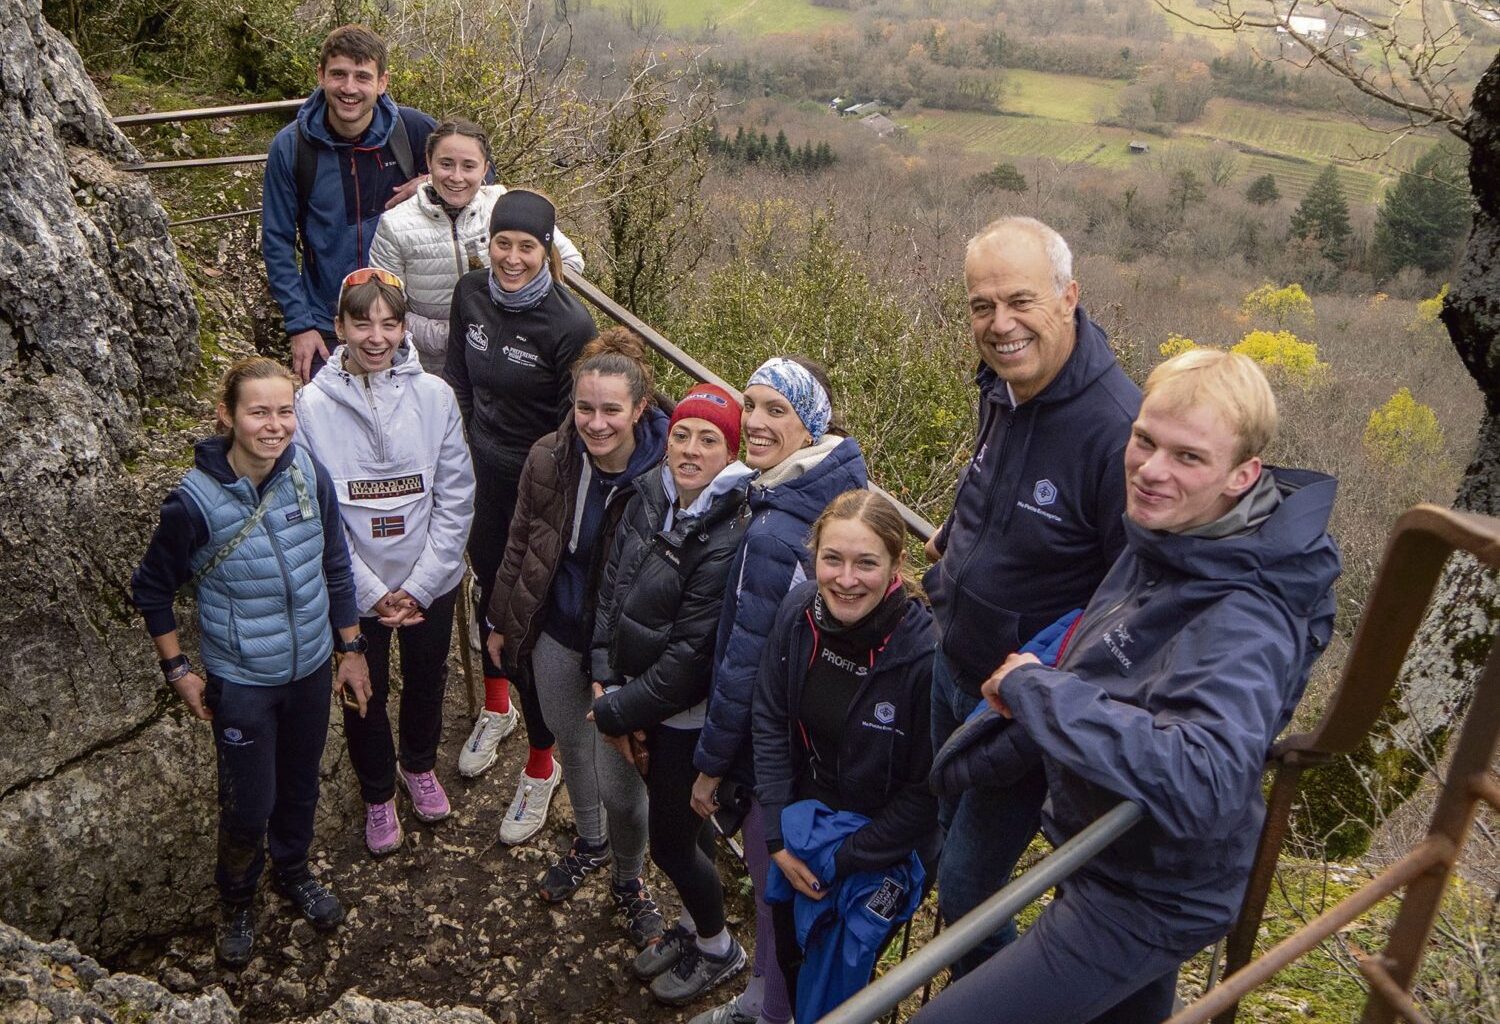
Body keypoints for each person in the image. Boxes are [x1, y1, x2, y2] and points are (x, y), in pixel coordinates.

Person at [918, 349, 1340, 1023]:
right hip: (1115, 850)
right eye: (1144, 440)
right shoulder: (1173, 537)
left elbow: (1205, 773)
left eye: (1189, 457)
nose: (1151, 470)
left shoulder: (1246, 615)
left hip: (1148, 891)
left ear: (1244, 475)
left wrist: (1040, 692)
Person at [922, 216, 1140, 975]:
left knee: (967, 890)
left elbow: (1131, 604)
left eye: (1020, 301)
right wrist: (957, 534)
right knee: (945, 828)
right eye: (982, 305)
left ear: (1070, 297)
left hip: (1016, 708)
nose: (999, 324)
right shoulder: (1005, 385)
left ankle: (992, 998)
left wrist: (1038, 704)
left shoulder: (1117, 434)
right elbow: (996, 478)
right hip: (952, 659)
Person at [129, 357, 371, 968]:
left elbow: (335, 566)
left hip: (313, 668)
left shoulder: (307, 474)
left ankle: (292, 872)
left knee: (299, 787)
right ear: (227, 416)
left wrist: (352, 650)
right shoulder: (193, 504)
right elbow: (151, 589)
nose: (275, 425)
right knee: (247, 805)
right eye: (258, 412)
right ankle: (237, 900)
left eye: (285, 411)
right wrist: (179, 670)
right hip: (243, 683)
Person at [689, 356, 868, 1024]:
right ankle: (764, 994)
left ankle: (773, 1010)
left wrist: (710, 765)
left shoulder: (779, 526)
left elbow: (745, 662)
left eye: (777, 411)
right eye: (752, 405)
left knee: (775, 890)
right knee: (779, 894)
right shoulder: (827, 488)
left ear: (811, 422)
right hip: (818, 740)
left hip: (784, 753)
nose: (755, 423)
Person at [483, 327, 669, 948]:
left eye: (611, 410)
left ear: (640, 409)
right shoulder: (550, 457)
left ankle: (628, 878)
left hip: (625, 655)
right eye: (584, 407)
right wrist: (502, 621)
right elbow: (521, 543)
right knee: (570, 743)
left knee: (624, 783)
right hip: (557, 632)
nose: (595, 423)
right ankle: (589, 843)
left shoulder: (670, 477)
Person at [294, 268, 475, 855]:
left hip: (430, 577)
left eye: (390, 323)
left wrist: (420, 586)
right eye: (362, 322)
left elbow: (456, 493)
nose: (377, 337)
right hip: (353, 584)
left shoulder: (436, 396)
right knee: (361, 688)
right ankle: (377, 792)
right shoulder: (311, 407)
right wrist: (370, 591)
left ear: (403, 328)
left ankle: (418, 767)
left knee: (427, 676)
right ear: (340, 326)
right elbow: (316, 511)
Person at [589, 383, 754, 1007]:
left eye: (708, 439)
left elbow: (690, 658)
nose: (689, 449)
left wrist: (615, 709)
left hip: (687, 716)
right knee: (688, 832)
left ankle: (717, 947)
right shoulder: (658, 500)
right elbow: (616, 584)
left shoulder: (726, 529)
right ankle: (694, 924)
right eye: (681, 434)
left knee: (671, 842)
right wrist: (608, 672)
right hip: (650, 700)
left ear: (730, 452)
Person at [751, 488, 939, 1023]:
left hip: (885, 847)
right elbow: (769, 716)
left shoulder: (924, 657)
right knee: (790, 955)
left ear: (896, 565)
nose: (846, 579)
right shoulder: (799, 614)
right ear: (814, 556)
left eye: (866, 563)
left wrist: (842, 858)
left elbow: (928, 792)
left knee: (841, 988)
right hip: (804, 823)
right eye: (832, 559)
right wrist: (778, 835)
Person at [446, 188, 597, 844]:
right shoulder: (469, 294)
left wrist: (546, 505)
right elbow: (458, 379)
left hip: (540, 493)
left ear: (547, 251)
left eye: (526, 247)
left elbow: (574, 431)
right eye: (501, 243)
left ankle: (543, 764)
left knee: (526, 623)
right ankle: (496, 707)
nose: (511, 257)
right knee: (487, 599)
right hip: (482, 476)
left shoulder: (570, 326)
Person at [262, 24, 437, 382]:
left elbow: (480, 174)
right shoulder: (293, 147)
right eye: (339, 74)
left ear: (382, 82)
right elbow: (277, 241)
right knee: (330, 430)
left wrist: (429, 182)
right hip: (327, 322)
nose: (350, 88)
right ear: (321, 75)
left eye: (362, 76)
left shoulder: (413, 131)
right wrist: (299, 325)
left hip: (403, 318)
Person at [368, 119, 584, 374]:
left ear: (485, 170)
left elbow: (570, 262)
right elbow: (387, 311)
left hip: (506, 364)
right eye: (446, 164)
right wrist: (456, 333)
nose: (456, 177)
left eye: (468, 166)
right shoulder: (396, 224)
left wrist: (520, 320)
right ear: (429, 162)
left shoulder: (503, 206)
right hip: (431, 370)